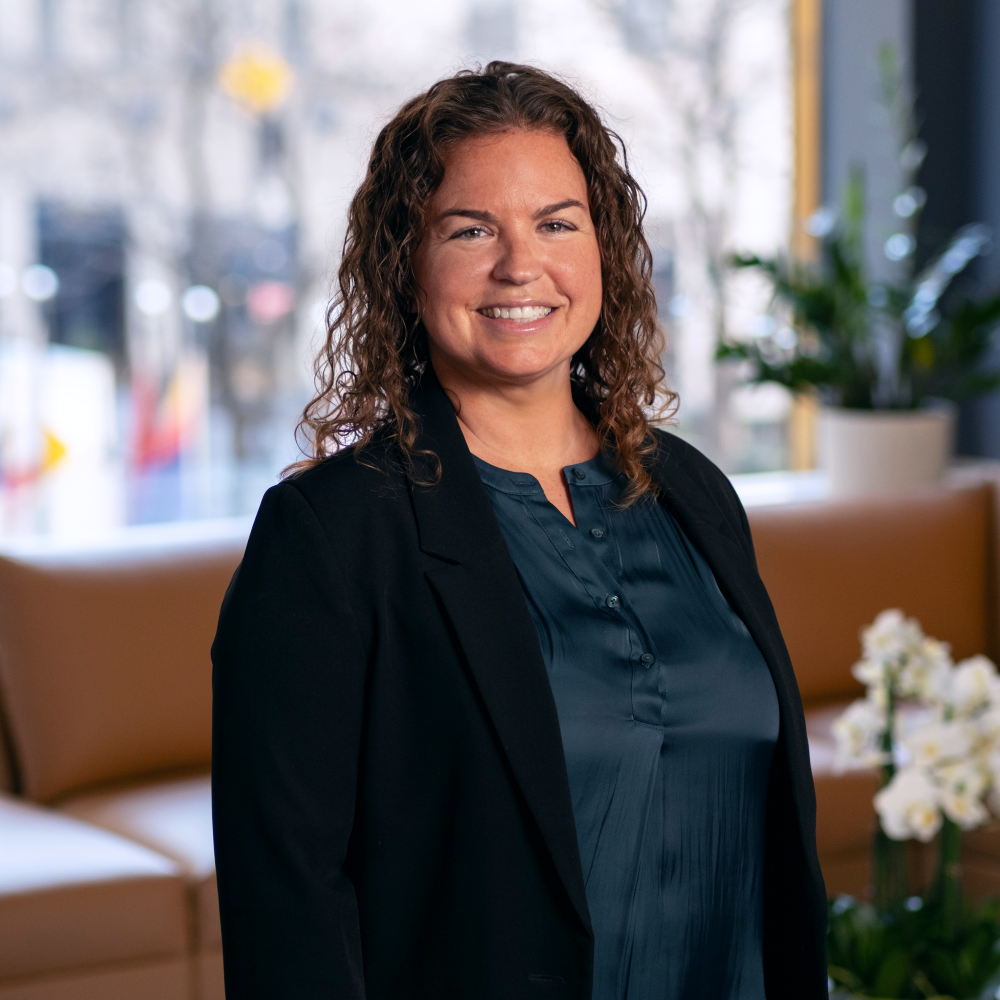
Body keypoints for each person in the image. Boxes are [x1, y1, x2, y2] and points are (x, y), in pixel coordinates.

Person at [211, 62, 827, 1000]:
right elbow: (286, 906)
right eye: (470, 229)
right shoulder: (332, 533)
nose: (519, 266)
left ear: (604, 247)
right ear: (405, 263)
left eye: (557, 223)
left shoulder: (691, 489)